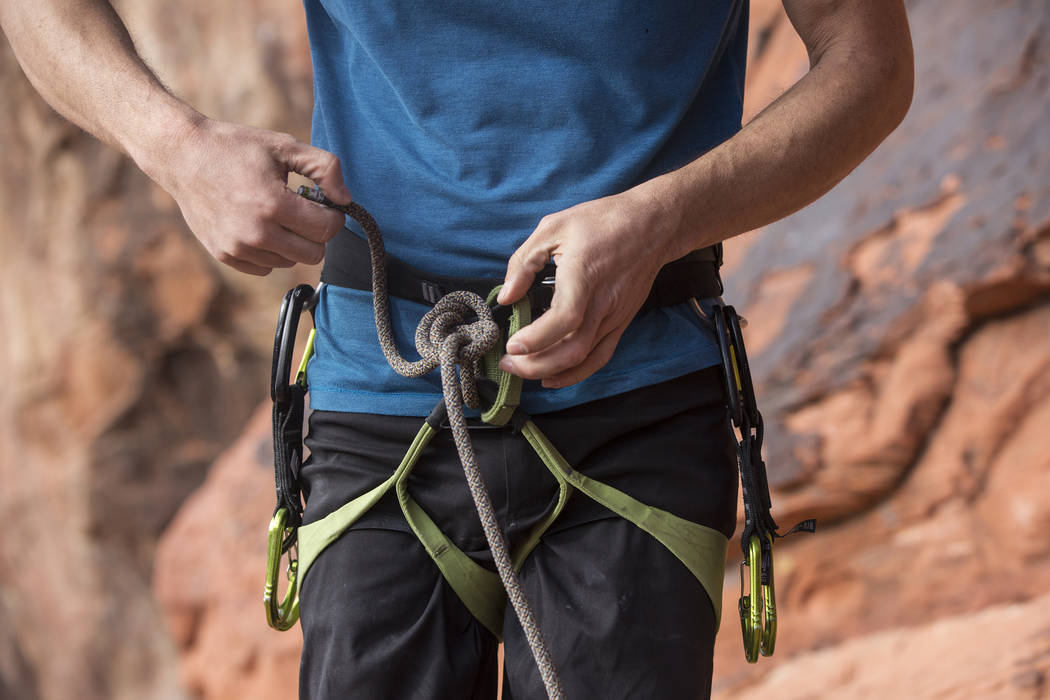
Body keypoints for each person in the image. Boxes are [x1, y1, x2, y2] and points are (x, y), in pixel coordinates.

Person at [1, 1, 913, 697]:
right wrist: (179, 146)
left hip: (635, 405)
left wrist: (661, 218)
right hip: (381, 391)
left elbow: (868, 63)